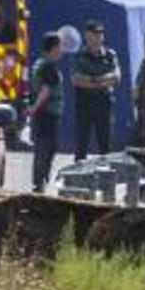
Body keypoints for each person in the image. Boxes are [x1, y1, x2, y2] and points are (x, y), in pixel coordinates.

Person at [70, 20, 120, 161]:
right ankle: (78, 178)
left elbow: (116, 77)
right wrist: (101, 81)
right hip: (84, 103)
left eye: (100, 34)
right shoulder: (79, 55)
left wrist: (90, 80)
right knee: (81, 145)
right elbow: (76, 80)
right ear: (86, 35)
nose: (98, 37)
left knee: (106, 145)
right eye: (95, 34)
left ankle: (107, 178)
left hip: (104, 103)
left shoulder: (110, 55)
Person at [24, 34, 65, 193]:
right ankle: (40, 182)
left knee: (42, 148)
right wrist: (34, 108)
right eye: (60, 46)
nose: (62, 50)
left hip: (41, 114)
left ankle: (38, 181)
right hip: (47, 114)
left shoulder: (38, 64)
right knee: (46, 149)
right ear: (53, 48)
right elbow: (45, 91)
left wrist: (32, 109)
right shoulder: (49, 67)